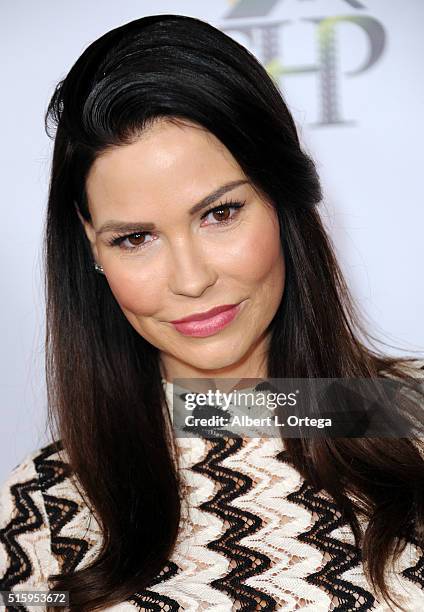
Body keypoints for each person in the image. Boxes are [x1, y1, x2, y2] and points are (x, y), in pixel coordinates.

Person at [1, 13, 424, 612]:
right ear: (91, 244)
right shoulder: (41, 509)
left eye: (219, 214)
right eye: (135, 239)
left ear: (281, 197)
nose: (192, 279)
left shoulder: (410, 417)